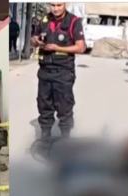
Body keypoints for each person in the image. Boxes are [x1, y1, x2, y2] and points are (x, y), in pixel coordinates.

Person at [32, 3, 86, 138]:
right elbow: (33, 39)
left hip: (63, 71)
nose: (55, 9)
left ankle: (65, 139)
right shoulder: (44, 19)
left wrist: (58, 48)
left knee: (64, 106)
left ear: (65, 4)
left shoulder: (74, 21)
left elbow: (81, 48)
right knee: (44, 106)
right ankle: (45, 137)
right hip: (44, 71)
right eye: (53, 5)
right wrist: (36, 41)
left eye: (59, 5)